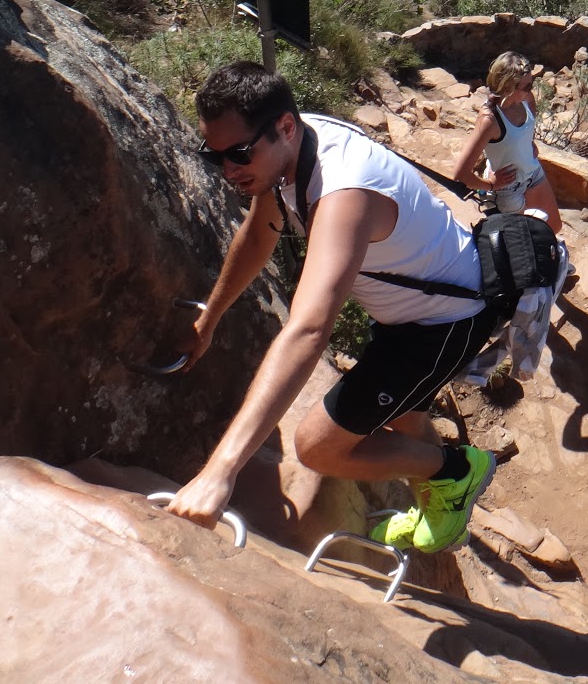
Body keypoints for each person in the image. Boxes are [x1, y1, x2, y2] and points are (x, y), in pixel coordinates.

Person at [167, 62, 497, 554]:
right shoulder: (291, 151)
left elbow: (308, 330)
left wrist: (219, 473)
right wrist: (208, 319)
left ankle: (457, 472)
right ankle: (439, 483)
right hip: (408, 305)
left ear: (284, 126)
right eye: (213, 156)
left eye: (238, 153)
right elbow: (260, 234)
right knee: (401, 412)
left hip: (443, 320)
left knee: (317, 448)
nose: (229, 170)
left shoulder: (343, 189)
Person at [452, 52, 562, 234]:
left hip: (533, 172)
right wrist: (491, 185)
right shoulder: (490, 119)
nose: (531, 89)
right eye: (526, 86)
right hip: (507, 189)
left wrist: (528, 142)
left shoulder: (526, 99)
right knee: (522, 242)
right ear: (508, 87)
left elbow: (530, 118)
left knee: (553, 227)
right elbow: (460, 174)